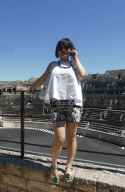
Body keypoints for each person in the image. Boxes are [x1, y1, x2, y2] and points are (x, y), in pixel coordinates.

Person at [26, 38, 86, 183]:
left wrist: (76, 58)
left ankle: (69, 166)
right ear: (57, 51)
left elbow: (83, 74)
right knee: (60, 138)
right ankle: (54, 166)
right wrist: (31, 87)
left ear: (72, 49)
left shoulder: (74, 65)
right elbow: (42, 78)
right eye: (61, 48)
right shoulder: (53, 65)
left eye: (67, 48)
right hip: (57, 103)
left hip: (74, 103)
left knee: (72, 137)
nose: (63, 50)